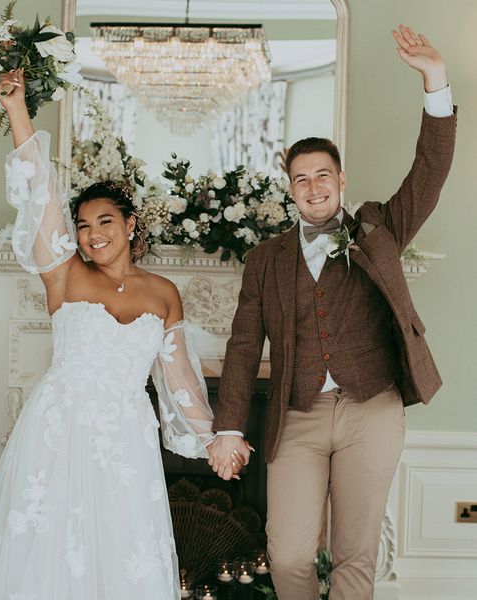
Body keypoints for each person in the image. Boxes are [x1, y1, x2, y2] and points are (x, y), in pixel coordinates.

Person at [208, 24, 457, 600]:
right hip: (297, 415)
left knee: (354, 555)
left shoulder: (378, 228)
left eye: (323, 175)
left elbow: (430, 170)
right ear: (289, 189)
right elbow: (244, 348)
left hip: (372, 407)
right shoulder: (265, 260)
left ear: (341, 180)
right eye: (301, 179)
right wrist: (227, 427)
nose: (313, 186)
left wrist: (435, 81)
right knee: (288, 552)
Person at [0, 69, 245, 599]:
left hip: (125, 434)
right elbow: (40, 194)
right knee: (50, 544)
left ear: (130, 227)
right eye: (82, 224)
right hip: (59, 425)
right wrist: (17, 112)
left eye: (105, 222)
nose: (92, 234)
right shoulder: (63, 273)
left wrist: (216, 440)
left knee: (121, 548)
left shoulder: (162, 293)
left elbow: (181, 380)